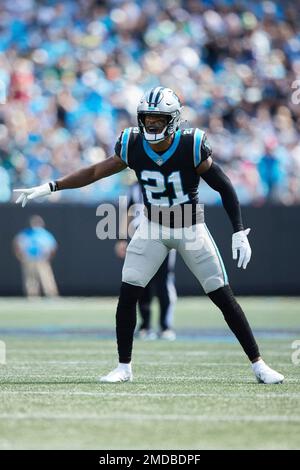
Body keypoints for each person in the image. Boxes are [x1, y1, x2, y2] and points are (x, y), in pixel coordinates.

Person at [14, 86, 284, 384]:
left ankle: (259, 364)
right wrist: (51, 186)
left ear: (173, 119)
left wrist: (238, 232)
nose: (151, 124)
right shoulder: (132, 143)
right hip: (152, 226)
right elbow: (94, 172)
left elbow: (224, 185)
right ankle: (123, 367)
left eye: (158, 118)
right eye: (147, 118)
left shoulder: (191, 144)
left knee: (222, 296)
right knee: (128, 293)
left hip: (190, 226)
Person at [115, 180, 177, 340]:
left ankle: (165, 326)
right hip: (141, 235)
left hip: (165, 235)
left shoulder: (167, 182)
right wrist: (121, 239)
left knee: (164, 282)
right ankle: (145, 326)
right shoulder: (135, 188)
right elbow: (127, 212)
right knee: (141, 282)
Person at [13, 215, 58, 297]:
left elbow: (52, 246)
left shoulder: (44, 234)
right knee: (30, 279)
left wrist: (48, 257)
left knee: (46, 278)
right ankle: (32, 296)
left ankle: (51, 295)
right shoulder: (26, 233)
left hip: (41, 259)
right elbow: (17, 242)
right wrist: (20, 255)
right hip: (29, 258)